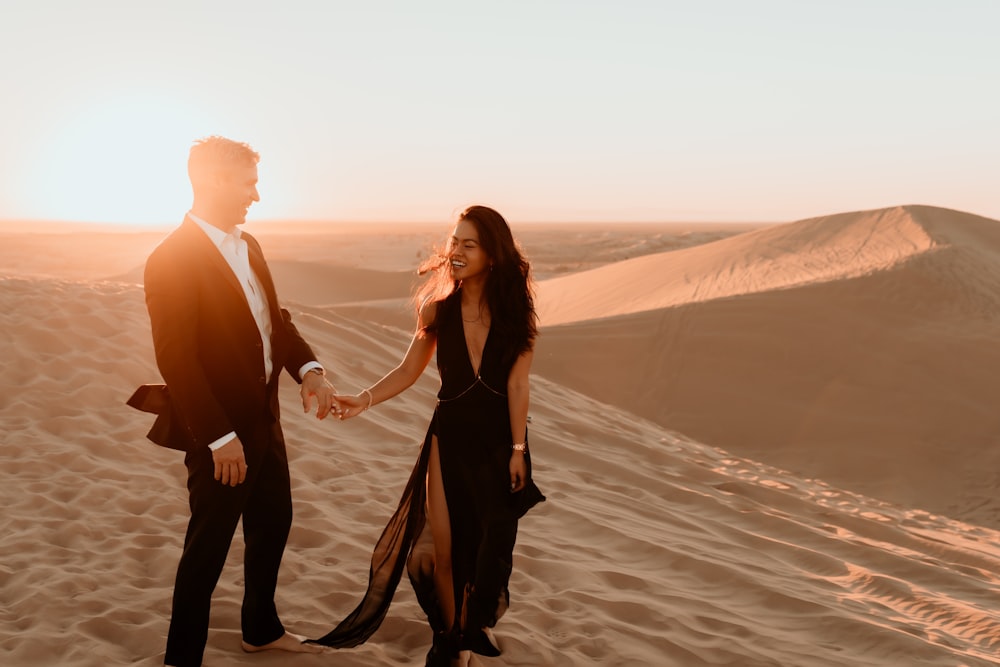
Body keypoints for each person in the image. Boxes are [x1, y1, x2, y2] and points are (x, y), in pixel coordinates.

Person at [130, 136, 339, 667]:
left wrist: (309, 372)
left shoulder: (251, 247)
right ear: (216, 181)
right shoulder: (170, 259)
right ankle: (182, 660)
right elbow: (176, 360)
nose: (256, 196)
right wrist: (220, 438)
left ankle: (260, 631)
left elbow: (275, 322)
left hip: (265, 422)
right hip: (220, 435)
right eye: (248, 183)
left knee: (274, 524)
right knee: (207, 550)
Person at [309, 205, 545, 666]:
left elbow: (519, 385)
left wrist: (518, 449)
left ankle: (470, 624)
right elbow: (408, 370)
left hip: (500, 444)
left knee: (486, 546)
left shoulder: (518, 314)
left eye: (468, 245)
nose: (456, 252)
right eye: (454, 242)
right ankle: (452, 640)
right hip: (450, 439)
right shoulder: (436, 309)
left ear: (492, 255)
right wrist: (365, 398)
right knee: (443, 549)